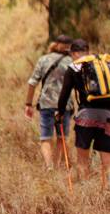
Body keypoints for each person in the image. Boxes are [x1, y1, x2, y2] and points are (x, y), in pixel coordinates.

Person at [56, 39, 110, 195]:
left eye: (71, 54)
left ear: (75, 53)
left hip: (86, 116)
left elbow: (65, 94)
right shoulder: (103, 64)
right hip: (107, 116)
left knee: (83, 160)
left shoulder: (74, 68)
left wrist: (59, 113)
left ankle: (87, 193)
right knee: (108, 159)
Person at [25, 35, 74, 170]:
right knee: (61, 137)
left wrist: (28, 104)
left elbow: (32, 83)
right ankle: (57, 166)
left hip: (46, 104)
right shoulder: (71, 61)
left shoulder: (43, 60)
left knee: (45, 138)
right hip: (64, 106)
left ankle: (49, 167)